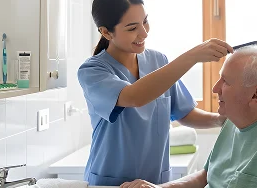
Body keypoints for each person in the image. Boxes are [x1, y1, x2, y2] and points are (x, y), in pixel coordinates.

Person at [77, 0, 234, 186]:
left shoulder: (158, 61)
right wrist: (193, 56)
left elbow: (184, 113)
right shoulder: (93, 71)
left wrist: (223, 121)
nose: (144, 32)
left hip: (155, 182)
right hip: (110, 182)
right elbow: (134, 97)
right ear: (106, 32)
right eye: (132, 28)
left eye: (145, 21)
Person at [121, 46, 257, 188]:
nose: (215, 88)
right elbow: (206, 176)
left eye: (225, 81)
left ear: (256, 95)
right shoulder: (234, 121)